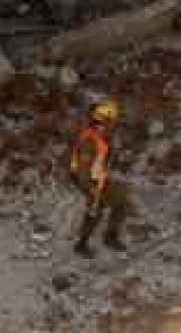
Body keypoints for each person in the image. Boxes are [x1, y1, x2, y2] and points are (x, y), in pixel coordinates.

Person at [68, 98, 132, 257]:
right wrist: (91, 190)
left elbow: (99, 161)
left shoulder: (99, 135)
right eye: (111, 121)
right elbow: (83, 170)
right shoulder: (90, 140)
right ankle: (82, 244)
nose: (113, 125)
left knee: (119, 203)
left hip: (97, 178)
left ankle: (108, 237)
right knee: (96, 209)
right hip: (87, 181)